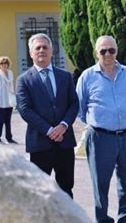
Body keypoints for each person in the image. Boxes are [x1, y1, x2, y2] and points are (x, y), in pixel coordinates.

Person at [76, 35, 126, 223]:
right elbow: (80, 107)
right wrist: (97, 122)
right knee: (100, 183)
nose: (107, 55)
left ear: (117, 51)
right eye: (103, 51)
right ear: (97, 53)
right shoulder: (87, 76)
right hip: (101, 136)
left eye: (111, 50)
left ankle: (125, 222)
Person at [16, 33, 79, 198]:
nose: (41, 50)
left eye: (45, 47)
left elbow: (74, 103)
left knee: (66, 188)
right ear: (31, 54)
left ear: (52, 51)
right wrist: (50, 130)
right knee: (40, 190)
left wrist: (63, 125)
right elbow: (25, 109)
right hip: (40, 143)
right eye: (37, 48)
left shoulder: (65, 77)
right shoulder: (24, 80)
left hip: (64, 142)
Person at [0, 56, 17, 144]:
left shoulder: (10, 73)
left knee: (8, 120)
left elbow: (12, 86)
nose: (4, 65)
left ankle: (9, 137)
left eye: (6, 63)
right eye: (2, 63)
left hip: (9, 100)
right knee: (0, 120)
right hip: (0, 100)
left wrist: (14, 97)